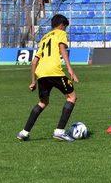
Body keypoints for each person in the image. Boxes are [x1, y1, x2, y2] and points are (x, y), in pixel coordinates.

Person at [16, 14, 79, 142]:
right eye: (65, 27)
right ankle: (59, 131)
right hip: (54, 71)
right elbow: (62, 50)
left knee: (43, 102)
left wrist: (33, 81)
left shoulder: (44, 38)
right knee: (72, 97)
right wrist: (70, 69)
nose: (65, 30)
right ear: (61, 25)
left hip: (41, 73)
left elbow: (34, 62)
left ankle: (24, 132)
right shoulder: (60, 33)